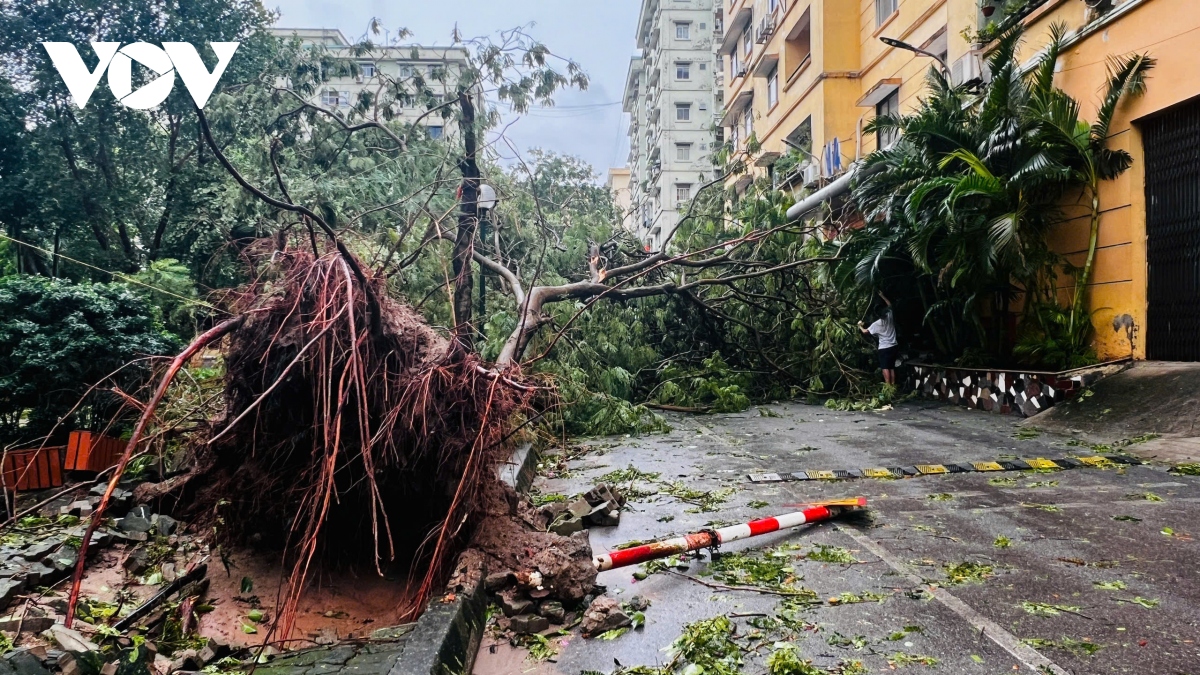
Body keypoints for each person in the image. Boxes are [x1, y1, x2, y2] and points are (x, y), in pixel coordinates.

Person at [858, 293, 898, 385]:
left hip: (884, 348)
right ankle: (893, 385)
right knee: (891, 367)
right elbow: (890, 305)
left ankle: (888, 386)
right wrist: (882, 296)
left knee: (885, 367)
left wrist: (859, 326)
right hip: (894, 346)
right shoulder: (890, 316)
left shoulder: (877, 324)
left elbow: (865, 332)